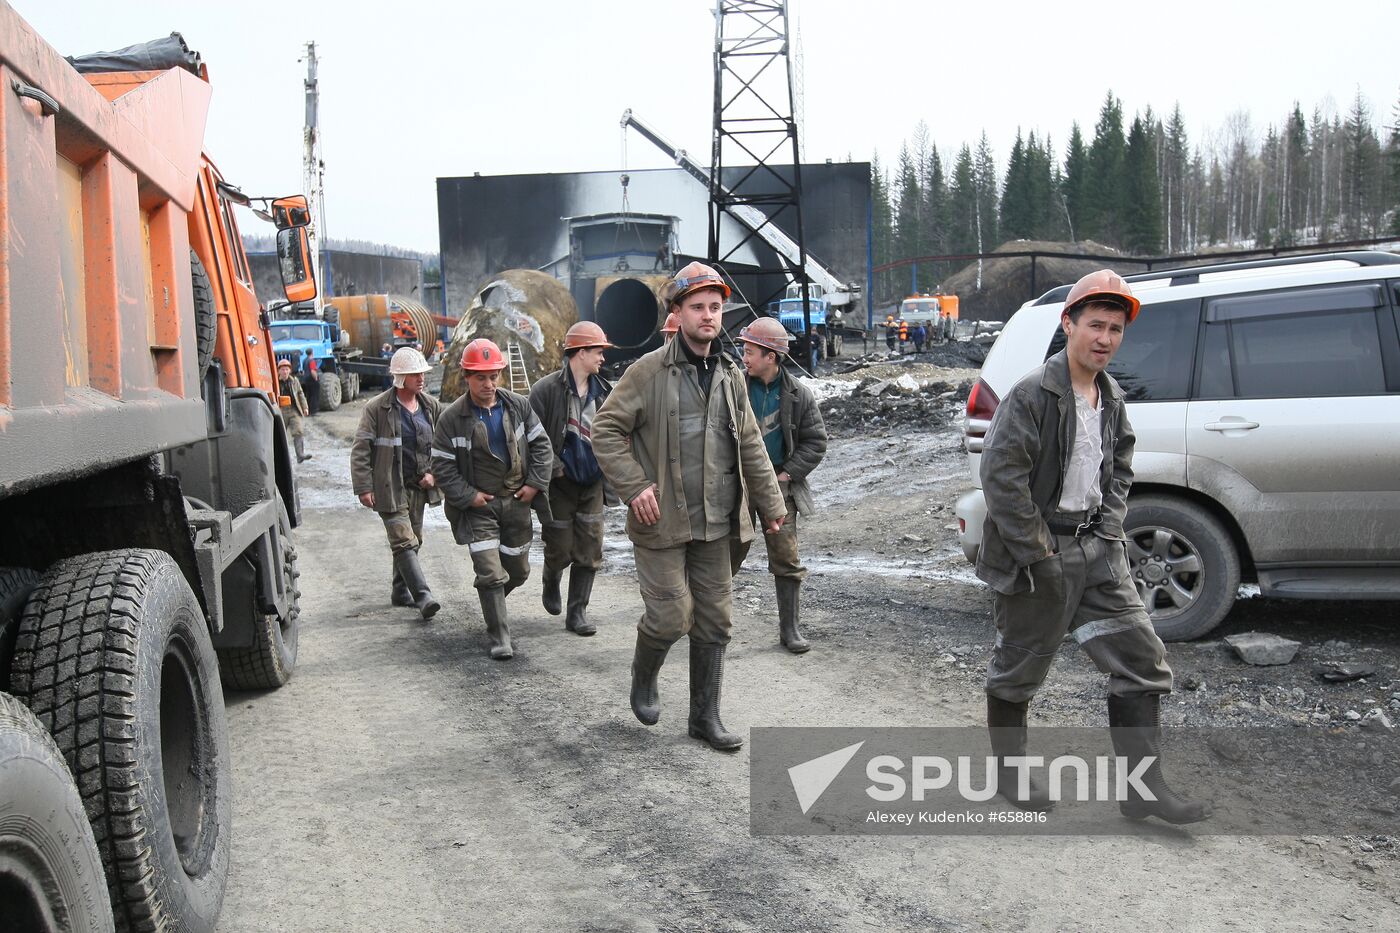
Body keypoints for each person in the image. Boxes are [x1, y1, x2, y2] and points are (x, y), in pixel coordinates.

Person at [976, 269, 1208, 824]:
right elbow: (1002, 480)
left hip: (1098, 553)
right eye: (1096, 325)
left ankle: (1142, 792)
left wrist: (1109, 529)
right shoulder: (1033, 393)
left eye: (1116, 329)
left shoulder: (1110, 395)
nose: (1105, 338)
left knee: (1143, 662)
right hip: (1038, 555)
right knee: (1019, 671)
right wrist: (1039, 555)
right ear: (1068, 324)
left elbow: (1119, 466)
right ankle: (1009, 778)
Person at [593, 261, 785, 752]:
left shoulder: (730, 374)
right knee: (671, 617)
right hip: (661, 521)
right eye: (697, 307)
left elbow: (750, 446)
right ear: (677, 313)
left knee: (715, 619)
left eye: (715, 307)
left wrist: (771, 505)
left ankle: (704, 716)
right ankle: (644, 675)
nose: (708, 315)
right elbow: (606, 430)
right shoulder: (647, 372)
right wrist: (635, 487)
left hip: (717, 522)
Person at [431, 339, 553, 660]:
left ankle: (493, 598)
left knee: (518, 570)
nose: (488, 384)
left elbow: (542, 447)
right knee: (489, 571)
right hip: (478, 508)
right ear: (466, 377)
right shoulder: (451, 418)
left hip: (516, 502)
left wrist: (535, 484)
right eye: (480, 377)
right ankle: (500, 635)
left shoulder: (518, 406)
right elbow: (442, 465)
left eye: (493, 376)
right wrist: (469, 497)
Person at [728, 317, 828, 653]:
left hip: (778, 487)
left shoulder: (799, 395)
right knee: (725, 554)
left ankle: (790, 631)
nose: (744, 357)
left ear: (771, 356)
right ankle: (710, 625)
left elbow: (815, 441)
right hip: (738, 486)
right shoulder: (733, 388)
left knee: (786, 559)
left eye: (750, 351)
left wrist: (787, 474)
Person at [530, 321, 614, 636]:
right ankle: (551, 579)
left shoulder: (604, 392)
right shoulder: (546, 390)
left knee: (590, 551)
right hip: (559, 483)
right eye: (597, 351)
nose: (602, 358)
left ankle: (576, 613)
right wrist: (553, 466)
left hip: (592, 482)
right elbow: (531, 436)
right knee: (560, 548)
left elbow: (615, 436)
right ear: (579, 352)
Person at [350, 347, 443, 620]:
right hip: (389, 487)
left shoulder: (430, 406)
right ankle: (423, 596)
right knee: (403, 541)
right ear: (400, 378)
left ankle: (400, 591)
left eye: (422, 374)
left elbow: (443, 446)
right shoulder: (376, 408)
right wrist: (364, 487)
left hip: (419, 487)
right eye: (415, 374)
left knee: (414, 541)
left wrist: (435, 475)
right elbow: (361, 449)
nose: (421, 379)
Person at [277, 358, 312, 463]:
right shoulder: (275, 381)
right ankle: (279, 458)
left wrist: (305, 407)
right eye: (282, 369)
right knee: (279, 434)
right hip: (280, 410)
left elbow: (300, 394)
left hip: (293, 409)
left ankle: (300, 455)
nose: (285, 372)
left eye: (286, 369)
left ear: (290, 371)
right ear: (279, 371)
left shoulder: (294, 381)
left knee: (298, 430)